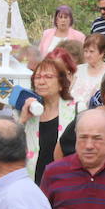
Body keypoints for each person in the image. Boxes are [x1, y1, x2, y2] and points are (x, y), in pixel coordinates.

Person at [20, 51, 79, 186]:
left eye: (48, 77)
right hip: (32, 183)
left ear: (61, 83)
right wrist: (22, 120)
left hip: (65, 183)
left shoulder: (77, 109)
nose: (41, 82)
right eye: (37, 77)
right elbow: (11, 145)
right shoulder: (28, 109)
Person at [69, 33, 105, 105]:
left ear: (102, 53)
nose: (87, 55)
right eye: (85, 51)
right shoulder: (78, 69)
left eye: (91, 51)